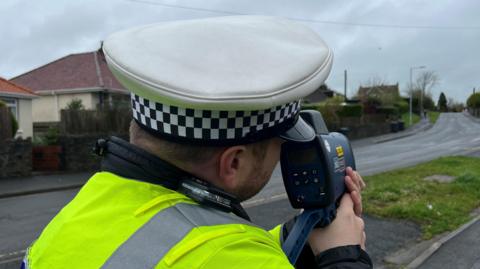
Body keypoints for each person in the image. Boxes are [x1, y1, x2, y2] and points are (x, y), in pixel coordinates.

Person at [23, 16, 372, 268]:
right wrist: (343, 256)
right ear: (233, 163)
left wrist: (301, 234)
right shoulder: (231, 258)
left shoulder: (83, 209)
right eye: (281, 143)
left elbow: (184, 244)